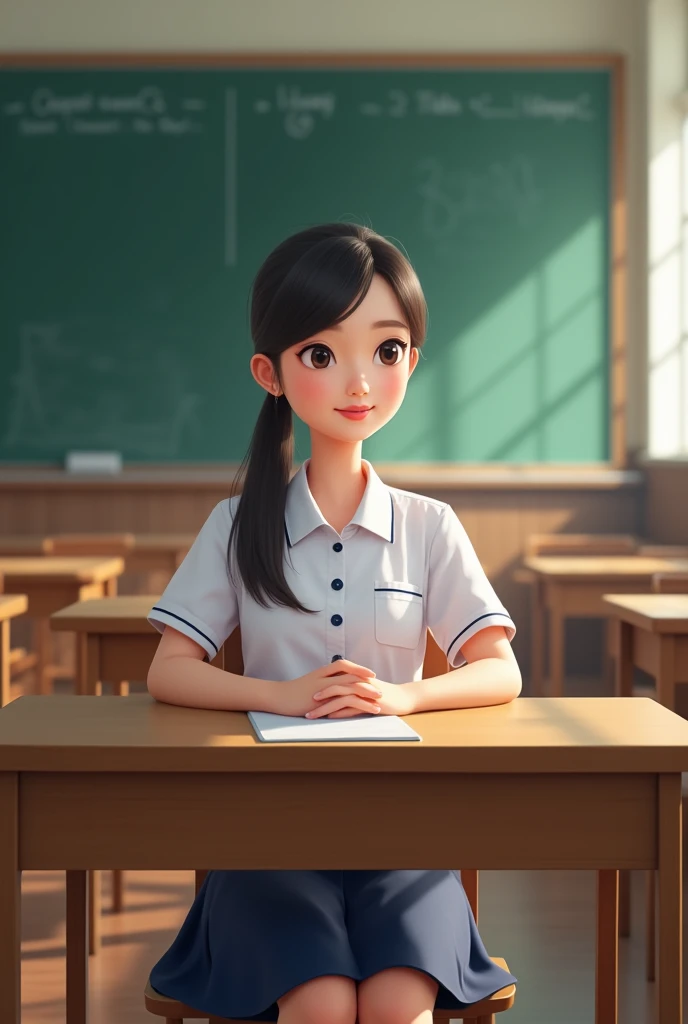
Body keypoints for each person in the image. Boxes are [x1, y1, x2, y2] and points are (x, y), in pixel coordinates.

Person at [146, 222, 521, 1024]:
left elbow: (502, 670)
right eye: (322, 353)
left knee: (393, 1009)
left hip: (405, 832)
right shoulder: (235, 524)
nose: (359, 379)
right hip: (269, 833)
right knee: (318, 1006)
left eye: (385, 352)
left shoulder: (429, 526)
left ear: (411, 363)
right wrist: (284, 696)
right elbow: (168, 669)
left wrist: (402, 699)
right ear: (270, 373)